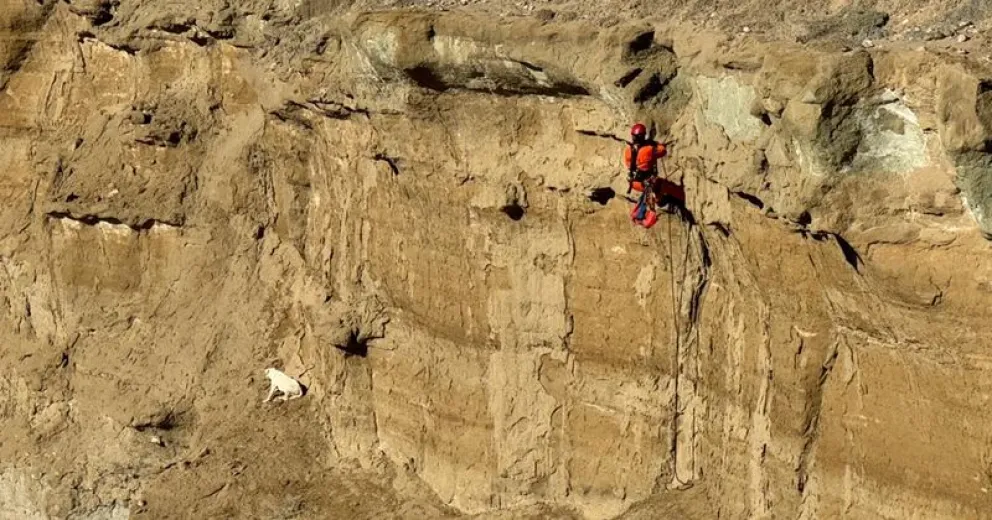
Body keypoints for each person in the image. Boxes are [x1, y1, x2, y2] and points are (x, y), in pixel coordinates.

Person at [622, 123, 685, 228]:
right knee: (664, 185)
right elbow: (662, 151)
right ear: (643, 136)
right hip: (649, 184)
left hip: (634, 183)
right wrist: (654, 143)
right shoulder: (649, 149)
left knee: (650, 189)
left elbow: (629, 164)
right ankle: (679, 199)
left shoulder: (628, 151)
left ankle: (657, 202)